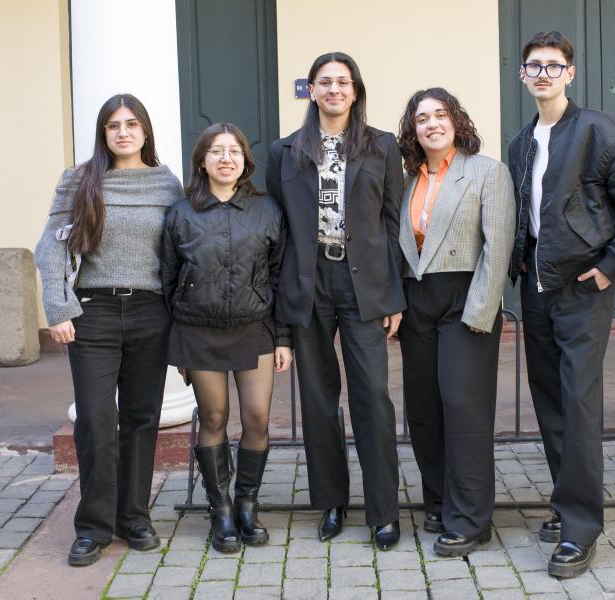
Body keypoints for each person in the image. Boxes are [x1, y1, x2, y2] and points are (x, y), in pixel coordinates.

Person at [508, 32, 615, 578]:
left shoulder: (601, 131)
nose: (543, 74)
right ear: (523, 76)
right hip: (536, 291)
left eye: (554, 66)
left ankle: (579, 528)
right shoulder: (520, 143)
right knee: (550, 401)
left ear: (570, 74)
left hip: (582, 291)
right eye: (534, 66)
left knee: (578, 403)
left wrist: (610, 269)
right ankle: (566, 503)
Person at [35, 93, 184, 566]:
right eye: (113, 125)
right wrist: (58, 307)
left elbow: (181, 249)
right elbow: (51, 246)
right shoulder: (80, 180)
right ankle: (93, 527)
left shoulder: (167, 183)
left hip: (150, 313)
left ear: (145, 131)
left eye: (132, 124)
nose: (123, 132)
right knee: (97, 422)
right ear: (103, 133)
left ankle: (134, 517)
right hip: (93, 313)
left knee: (141, 418)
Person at [266, 52, 405, 550]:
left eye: (343, 82)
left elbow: (393, 225)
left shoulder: (382, 147)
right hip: (308, 284)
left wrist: (394, 294)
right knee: (319, 400)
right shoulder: (285, 151)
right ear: (312, 90)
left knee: (372, 397)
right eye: (325, 82)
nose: (334, 90)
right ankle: (331, 502)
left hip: (362, 282)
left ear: (355, 89)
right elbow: (278, 230)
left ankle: (384, 511)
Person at [161, 123, 292, 553]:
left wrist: (283, 337)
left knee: (256, 419)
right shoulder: (181, 213)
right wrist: (176, 343)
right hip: (199, 332)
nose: (225, 158)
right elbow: (168, 278)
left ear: (244, 161)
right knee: (214, 418)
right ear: (202, 161)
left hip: (254, 330)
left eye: (234, 151)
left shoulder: (267, 210)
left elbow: (279, 276)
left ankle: (247, 505)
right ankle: (219, 512)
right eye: (216, 151)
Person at [396, 88, 515, 556]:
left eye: (440, 114)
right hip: (416, 301)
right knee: (424, 409)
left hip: (466, 297)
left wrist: (483, 309)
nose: (431, 124)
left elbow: (498, 244)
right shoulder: (406, 180)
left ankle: (471, 520)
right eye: (421, 118)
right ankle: (440, 500)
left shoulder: (487, 172)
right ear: (413, 130)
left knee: (463, 407)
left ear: (456, 120)